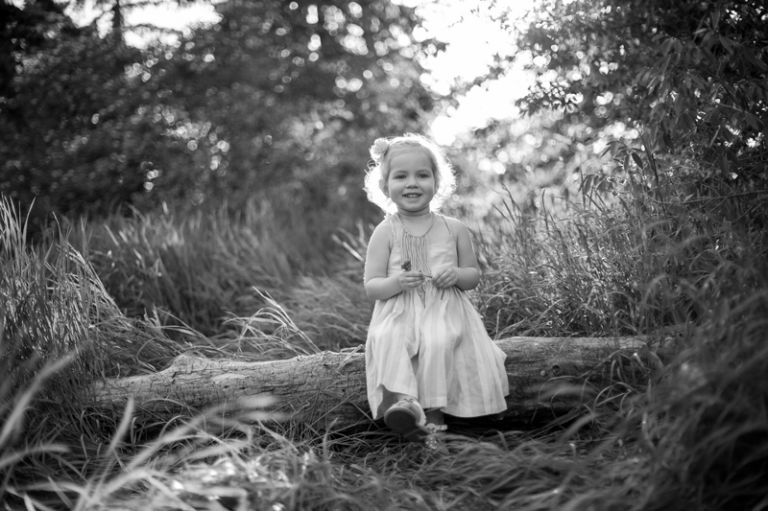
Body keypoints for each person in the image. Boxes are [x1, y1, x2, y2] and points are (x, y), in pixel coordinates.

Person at [362, 133, 509, 444]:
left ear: (436, 181)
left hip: (444, 309)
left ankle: (433, 418)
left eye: (422, 175)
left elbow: (473, 276)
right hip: (399, 309)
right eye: (400, 176)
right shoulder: (385, 231)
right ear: (385, 185)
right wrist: (396, 282)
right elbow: (373, 287)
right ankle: (406, 404)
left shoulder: (453, 228)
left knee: (439, 340)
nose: (412, 183)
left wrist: (456, 274)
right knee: (388, 337)